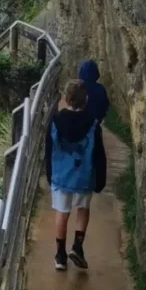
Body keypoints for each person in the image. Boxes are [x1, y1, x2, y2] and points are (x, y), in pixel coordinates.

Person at [45, 80, 102, 271]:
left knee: (62, 213)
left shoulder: (55, 121)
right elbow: (99, 155)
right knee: (83, 210)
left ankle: (60, 256)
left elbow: (49, 149)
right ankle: (77, 247)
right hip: (84, 177)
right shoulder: (93, 124)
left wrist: (49, 173)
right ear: (85, 100)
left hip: (61, 177)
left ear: (66, 98)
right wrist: (100, 179)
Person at [79, 59, 110, 194]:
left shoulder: (79, 88)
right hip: (95, 125)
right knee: (97, 155)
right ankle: (97, 182)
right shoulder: (100, 89)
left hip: (80, 125)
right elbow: (105, 106)